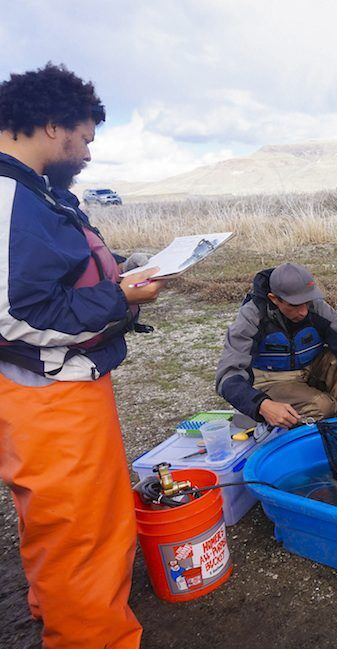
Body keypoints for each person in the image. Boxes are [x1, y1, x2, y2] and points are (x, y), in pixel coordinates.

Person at [0, 63, 164, 648]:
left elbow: (56, 276)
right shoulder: (9, 197)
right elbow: (18, 315)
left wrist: (115, 275)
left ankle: (56, 609)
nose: (88, 152)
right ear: (51, 125)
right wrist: (117, 297)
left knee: (59, 521)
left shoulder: (36, 191)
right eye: (84, 138)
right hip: (47, 395)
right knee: (83, 531)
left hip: (63, 386)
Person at [215, 262, 337, 428]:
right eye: (294, 305)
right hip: (271, 378)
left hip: (308, 368)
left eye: (306, 302)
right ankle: (293, 424)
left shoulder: (315, 307)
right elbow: (227, 376)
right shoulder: (252, 317)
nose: (303, 312)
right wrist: (261, 405)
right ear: (274, 299)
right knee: (322, 407)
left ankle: (331, 425)